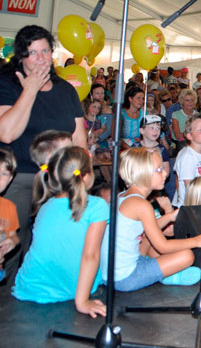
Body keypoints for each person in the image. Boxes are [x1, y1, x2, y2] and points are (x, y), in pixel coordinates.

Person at [0, 26, 87, 279]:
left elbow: (78, 137)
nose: (40, 58)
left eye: (45, 51)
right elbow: (6, 133)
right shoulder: (7, 84)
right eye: (32, 53)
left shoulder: (65, 90)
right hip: (18, 177)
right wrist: (30, 89)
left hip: (58, 179)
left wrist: (79, 176)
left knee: (53, 239)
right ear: (21, 57)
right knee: (13, 242)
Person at [12, 146, 107, 317]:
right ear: (86, 176)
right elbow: (90, 255)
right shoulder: (97, 206)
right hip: (71, 288)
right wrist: (82, 301)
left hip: (29, 287)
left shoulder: (45, 206)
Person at [101, 148, 201, 292]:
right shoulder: (141, 205)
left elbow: (149, 228)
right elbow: (163, 246)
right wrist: (196, 241)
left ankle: (160, 270)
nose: (165, 173)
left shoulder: (123, 196)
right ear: (142, 173)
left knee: (149, 236)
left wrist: (169, 217)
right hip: (126, 278)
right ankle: (167, 276)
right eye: (159, 170)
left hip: (112, 274)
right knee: (187, 255)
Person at [172, 114, 201, 208]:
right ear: (189, 135)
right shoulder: (187, 156)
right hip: (189, 205)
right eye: (199, 130)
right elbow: (189, 186)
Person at [0, 149, 20, 281]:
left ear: (10, 179)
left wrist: (12, 242)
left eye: (4, 174)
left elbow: (14, 235)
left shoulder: (9, 207)